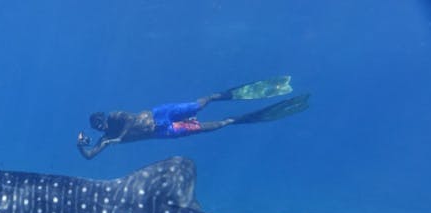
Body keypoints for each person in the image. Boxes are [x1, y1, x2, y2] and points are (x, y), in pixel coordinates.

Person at [77, 76, 310, 159]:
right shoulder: (105, 139)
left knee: (198, 105)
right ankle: (237, 119)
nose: (100, 127)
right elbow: (90, 156)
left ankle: (218, 96)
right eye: (96, 127)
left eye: (98, 122)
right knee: (210, 126)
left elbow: (128, 121)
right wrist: (80, 147)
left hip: (161, 113)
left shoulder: (116, 117)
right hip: (163, 131)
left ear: (102, 117)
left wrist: (120, 139)